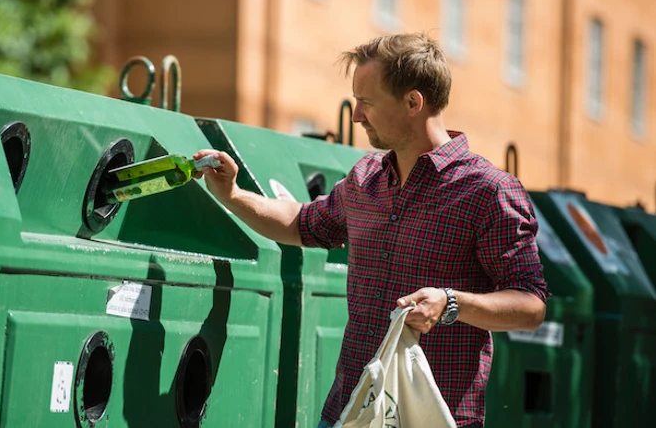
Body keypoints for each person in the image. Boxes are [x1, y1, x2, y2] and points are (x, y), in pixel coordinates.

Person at [193, 33, 548, 428]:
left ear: (414, 102)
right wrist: (233, 195)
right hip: (348, 412)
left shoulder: (488, 191)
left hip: (431, 417)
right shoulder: (365, 178)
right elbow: (301, 223)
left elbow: (530, 306)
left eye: (367, 102)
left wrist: (450, 303)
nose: (356, 115)